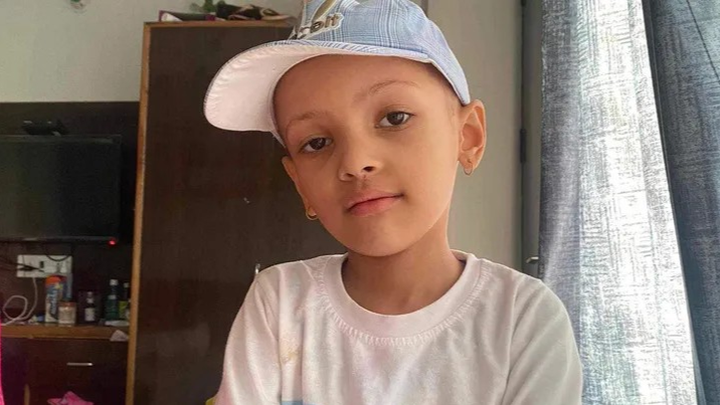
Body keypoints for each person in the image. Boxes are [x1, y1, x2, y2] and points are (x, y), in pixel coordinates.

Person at [203, 0, 583, 403]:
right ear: (300, 185)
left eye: (394, 118)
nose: (355, 163)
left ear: (467, 136)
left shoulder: (521, 317)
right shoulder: (281, 301)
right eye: (316, 142)